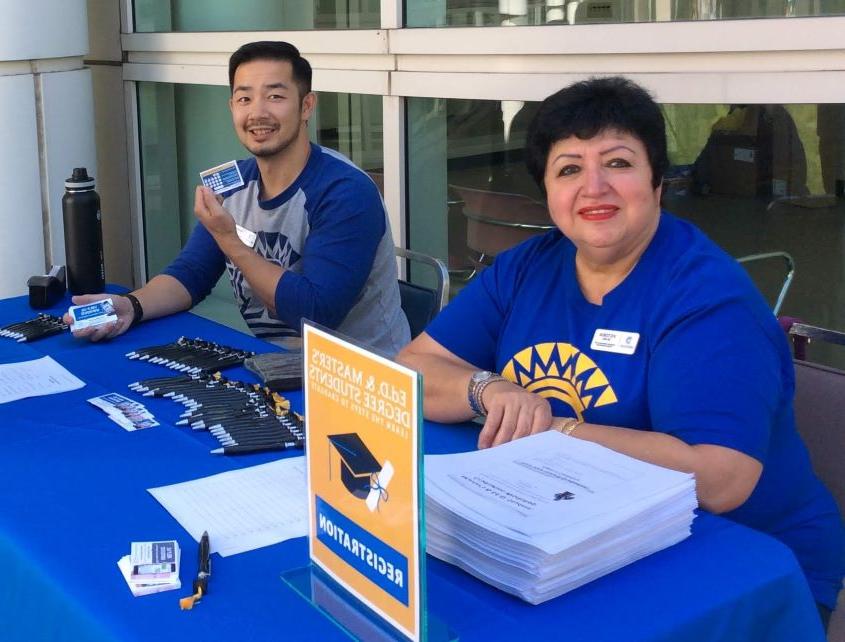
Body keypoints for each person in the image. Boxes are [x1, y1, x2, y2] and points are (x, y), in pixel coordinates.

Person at [397, 76, 845, 622]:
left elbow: (721, 478)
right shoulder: (527, 267)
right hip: (573, 524)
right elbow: (412, 369)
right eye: (569, 169)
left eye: (617, 163)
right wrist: (486, 388)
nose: (593, 187)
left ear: (658, 180)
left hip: (742, 562)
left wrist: (549, 431)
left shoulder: (705, 298)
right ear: (548, 192)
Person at [66, 41, 409, 356]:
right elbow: (191, 273)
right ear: (232, 107)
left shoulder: (345, 190)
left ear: (307, 105)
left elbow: (316, 312)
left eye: (275, 96)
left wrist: (230, 241)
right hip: (276, 367)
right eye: (244, 98)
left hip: (363, 381)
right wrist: (131, 306)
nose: (257, 113)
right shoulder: (233, 182)